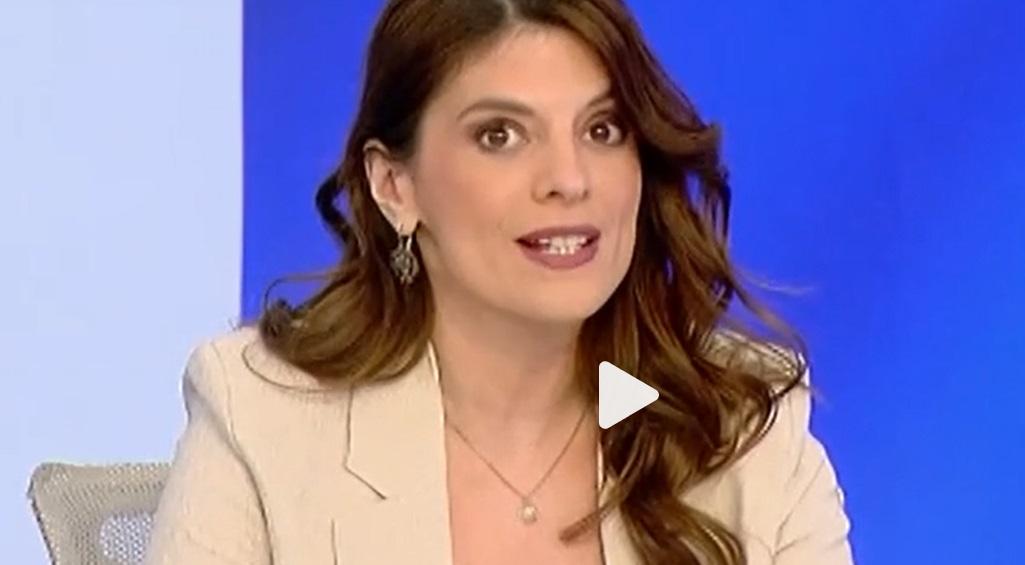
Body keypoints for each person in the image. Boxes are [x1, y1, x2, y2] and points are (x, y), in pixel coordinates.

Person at [144, 0, 854, 563]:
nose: (569, 179)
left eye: (602, 130)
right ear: (394, 186)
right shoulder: (262, 417)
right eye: (500, 136)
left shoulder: (743, 428)